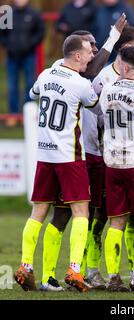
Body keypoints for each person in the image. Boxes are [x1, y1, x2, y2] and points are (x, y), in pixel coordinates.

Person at [39, 15, 127, 291]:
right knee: (69, 214)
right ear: (79, 52)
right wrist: (113, 37)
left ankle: (87, 271)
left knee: (96, 214)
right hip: (77, 154)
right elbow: (88, 76)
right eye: (91, 48)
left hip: (93, 154)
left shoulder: (58, 72)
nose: (95, 53)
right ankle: (63, 272)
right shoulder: (74, 73)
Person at [14, 35, 98, 292]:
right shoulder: (81, 83)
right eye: (87, 53)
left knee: (38, 212)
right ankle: (74, 269)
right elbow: (93, 103)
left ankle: (25, 266)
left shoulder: (46, 73)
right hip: (69, 157)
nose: (91, 56)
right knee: (81, 213)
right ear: (76, 56)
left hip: (45, 156)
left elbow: (33, 93)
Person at [92, 24, 134, 291]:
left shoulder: (107, 89)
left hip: (112, 163)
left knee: (116, 221)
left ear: (123, 65)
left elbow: (98, 116)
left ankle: (112, 278)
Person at [0, 0, 44, 125]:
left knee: (30, 84)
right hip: (12, 57)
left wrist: (30, 45)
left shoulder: (34, 13)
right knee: (12, 86)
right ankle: (13, 115)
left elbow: (40, 32)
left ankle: (28, 114)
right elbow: (2, 33)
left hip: (29, 56)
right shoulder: (7, 14)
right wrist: (8, 46)